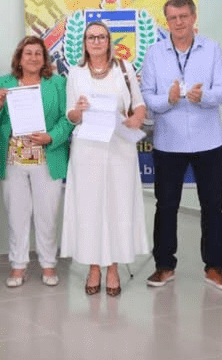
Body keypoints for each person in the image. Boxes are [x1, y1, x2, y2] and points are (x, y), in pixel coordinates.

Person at [140, 0, 222, 291]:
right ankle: (164, 266)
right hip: (168, 143)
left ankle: (215, 268)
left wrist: (203, 97)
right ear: (166, 21)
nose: (178, 22)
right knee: (166, 206)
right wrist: (168, 100)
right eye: (173, 18)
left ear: (194, 17)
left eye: (183, 16)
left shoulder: (212, 48)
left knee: (213, 206)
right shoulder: (155, 53)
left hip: (208, 141)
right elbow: (147, 97)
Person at [62, 22, 149, 296]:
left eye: (101, 37)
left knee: (117, 206)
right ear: (84, 42)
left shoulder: (124, 68)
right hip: (87, 149)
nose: (97, 41)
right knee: (89, 208)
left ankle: (112, 267)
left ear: (109, 41)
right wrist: (78, 110)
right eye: (91, 37)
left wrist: (137, 119)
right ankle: (93, 268)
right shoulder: (75, 73)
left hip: (119, 147)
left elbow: (139, 104)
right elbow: (70, 115)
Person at [0, 36, 72, 288]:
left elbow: (67, 119)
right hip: (13, 159)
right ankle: (18, 265)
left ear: (44, 59)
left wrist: (51, 137)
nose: (33, 57)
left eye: (38, 53)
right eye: (28, 53)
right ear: (19, 59)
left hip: (47, 156)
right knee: (17, 216)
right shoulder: (4, 83)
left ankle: (48, 263)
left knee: (47, 215)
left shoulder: (58, 83)